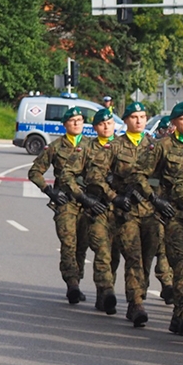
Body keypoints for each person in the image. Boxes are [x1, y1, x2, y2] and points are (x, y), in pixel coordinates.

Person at [86, 102, 166, 328]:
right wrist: (114, 196)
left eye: (142, 116)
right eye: (134, 117)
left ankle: (138, 292)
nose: (139, 121)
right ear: (126, 120)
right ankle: (136, 303)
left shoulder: (155, 146)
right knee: (133, 257)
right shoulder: (115, 146)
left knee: (148, 259)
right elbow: (95, 174)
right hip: (126, 212)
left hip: (150, 212)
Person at [131, 101, 183, 342]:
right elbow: (140, 175)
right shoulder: (161, 147)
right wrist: (155, 199)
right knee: (180, 267)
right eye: (182, 119)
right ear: (174, 122)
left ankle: (177, 315)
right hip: (173, 217)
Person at [62, 108, 121, 315]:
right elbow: (67, 175)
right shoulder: (86, 148)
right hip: (95, 209)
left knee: (114, 255)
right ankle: (106, 291)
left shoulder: (123, 147)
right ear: (95, 127)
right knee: (102, 250)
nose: (107, 126)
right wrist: (83, 197)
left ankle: (102, 294)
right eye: (102, 124)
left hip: (119, 210)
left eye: (110, 123)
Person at [27, 106, 90, 303]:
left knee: (82, 245)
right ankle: (72, 284)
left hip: (87, 202)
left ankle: (77, 280)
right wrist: (49, 190)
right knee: (68, 243)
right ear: (65, 125)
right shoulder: (55, 147)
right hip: (65, 203)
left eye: (80, 120)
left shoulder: (92, 146)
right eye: (73, 120)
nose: (77, 123)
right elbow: (34, 172)